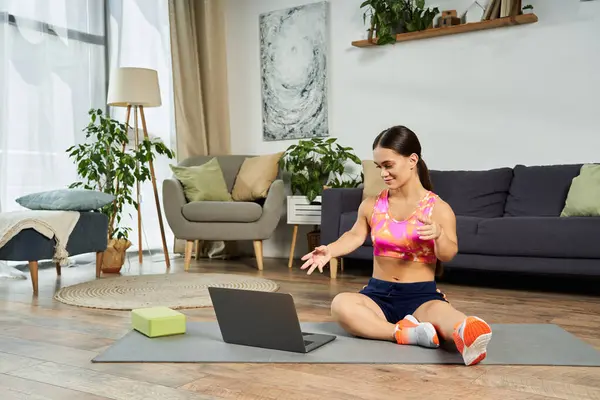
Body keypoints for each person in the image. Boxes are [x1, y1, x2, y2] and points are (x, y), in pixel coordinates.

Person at [300, 125, 492, 366]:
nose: (383, 173)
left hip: (421, 296)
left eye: (388, 165)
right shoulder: (372, 205)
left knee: (453, 322)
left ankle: (465, 333)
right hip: (377, 295)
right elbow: (354, 235)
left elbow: (449, 253)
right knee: (341, 304)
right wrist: (330, 250)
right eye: (379, 167)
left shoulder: (438, 209)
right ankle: (404, 333)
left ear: (412, 160)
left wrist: (439, 235)